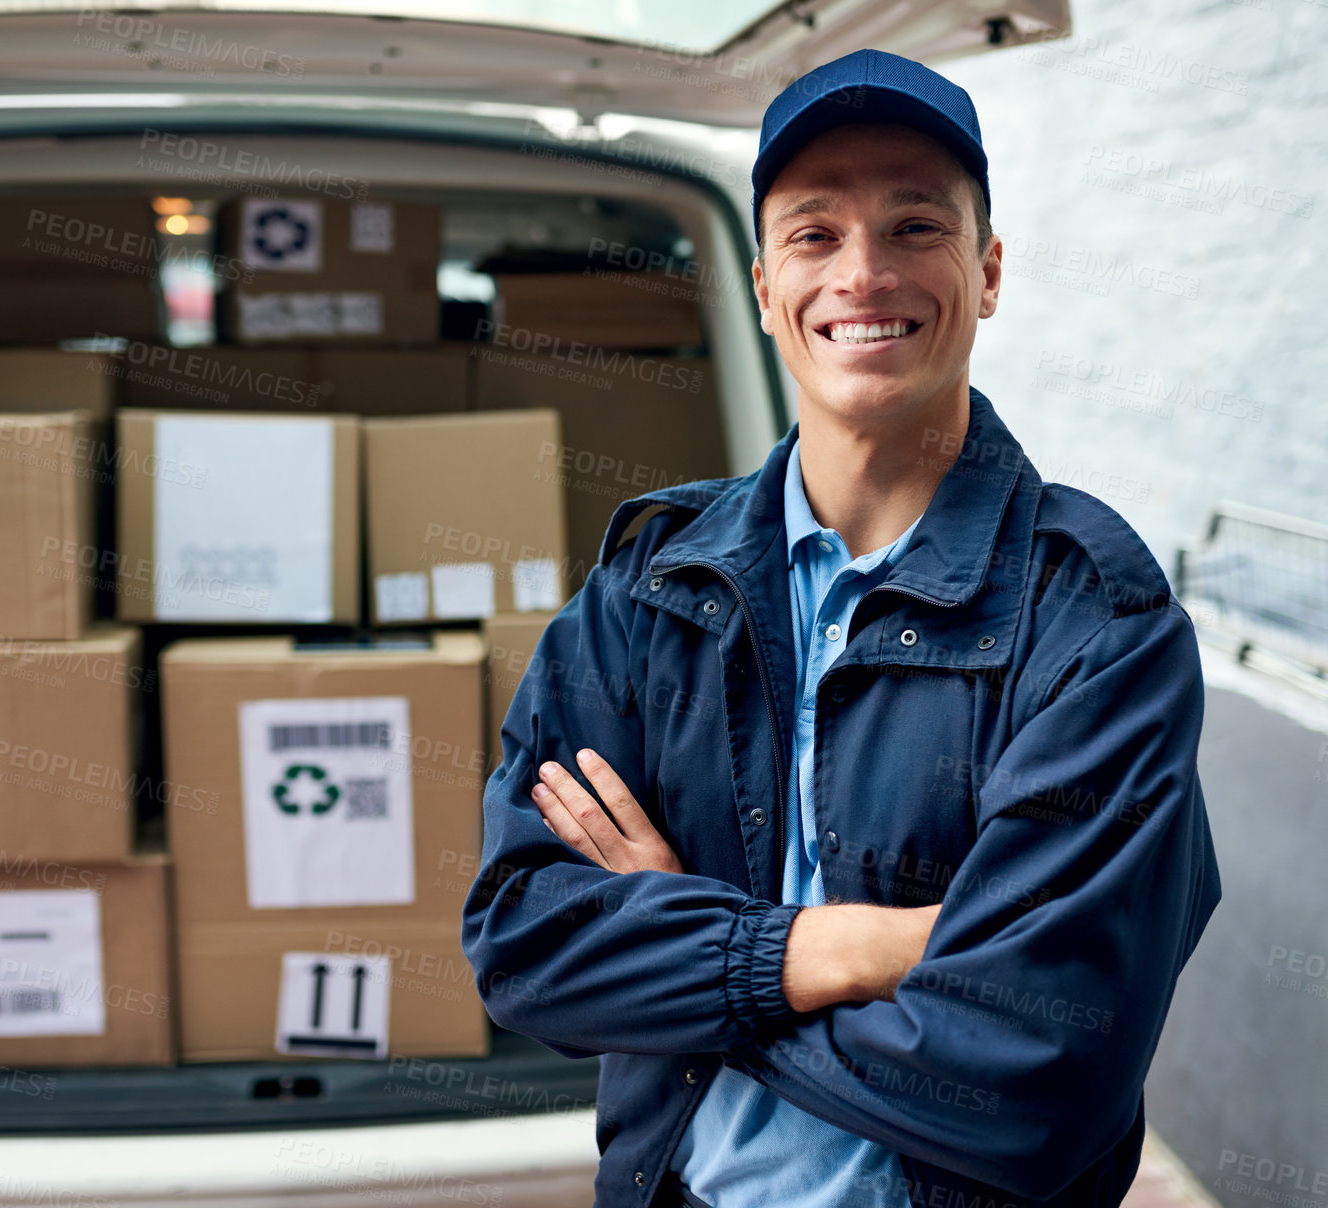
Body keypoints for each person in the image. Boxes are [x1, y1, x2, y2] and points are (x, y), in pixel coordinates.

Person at [460, 48, 1222, 1208]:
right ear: (766, 287)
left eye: (917, 225)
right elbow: (523, 943)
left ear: (990, 269)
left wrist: (695, 960)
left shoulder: (1096, 621)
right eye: (816, 235)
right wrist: (855, 948)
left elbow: (1034, 1081)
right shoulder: (647, 592)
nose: (863, 273)